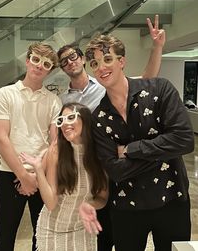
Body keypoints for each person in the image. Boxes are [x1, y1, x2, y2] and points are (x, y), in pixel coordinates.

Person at [57, 15, 166, 251]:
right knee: (95, 214)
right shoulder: (63, 100)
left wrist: (157, 47)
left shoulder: (108, 82)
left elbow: (148, 78)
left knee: (112, 217)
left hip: (115, 157)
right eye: (63, 61)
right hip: (87, 161)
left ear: (82, 60)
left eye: (73, 57)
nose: (70, 62)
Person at [80, 33, 195, 251]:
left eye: (107, 59)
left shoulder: (160, 90)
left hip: (172, 201)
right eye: (95, 63)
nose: (101, 67)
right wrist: (163, 150)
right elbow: (115, 171)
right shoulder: (99, 118)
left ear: (121, 61)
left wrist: (132, 149)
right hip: (126, 209)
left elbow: (184, 140)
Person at [0, 42, 62, 251]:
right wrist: (23, 175)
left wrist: (38, 174)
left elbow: (55, 142)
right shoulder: (5, 94)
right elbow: (1, 138)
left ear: (50, 70)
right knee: (4, 236)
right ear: (27, 60)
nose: (40, 66)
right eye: (36, 59)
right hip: (9, 173)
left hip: (42, 175)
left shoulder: (54, 101)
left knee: (41, 237)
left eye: (46, 63)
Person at [19, 102, 108, 251]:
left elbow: (102, 198)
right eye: (61, 120)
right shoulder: (56, 151)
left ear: (85, 120)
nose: (65, 124)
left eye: (71, 117)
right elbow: (51, 203)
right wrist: (39, 169)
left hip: (83, 230)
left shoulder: (99, 154)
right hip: (52, 230)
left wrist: (90, 205)